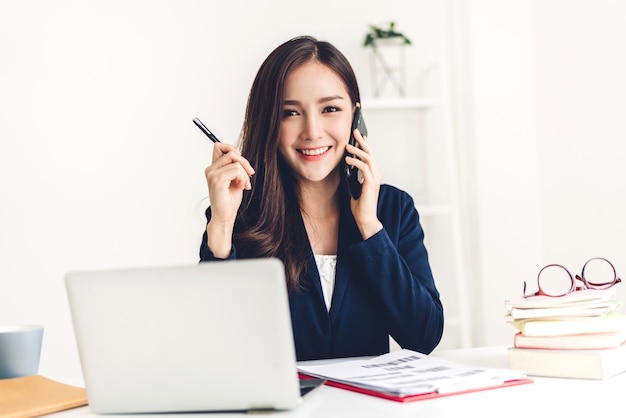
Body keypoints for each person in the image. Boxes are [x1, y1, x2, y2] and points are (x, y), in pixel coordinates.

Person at [199, 35, 443, 361]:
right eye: (290, 113)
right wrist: (221, 227)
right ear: (269, 120)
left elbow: (423, 336)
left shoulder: (393, 209)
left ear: (356, 116)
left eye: (330, 108)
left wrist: (370, 228)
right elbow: (214, 340)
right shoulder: (242, 214)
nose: (313, 131)